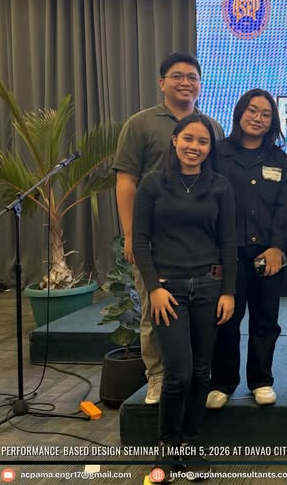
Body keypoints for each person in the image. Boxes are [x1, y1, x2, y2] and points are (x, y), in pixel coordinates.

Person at [114, 52, 224, 405]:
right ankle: (158, 377)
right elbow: (127, 181)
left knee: (197, 318)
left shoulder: (212, 126)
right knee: (153, 309)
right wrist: (130, 234)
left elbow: (217, 184)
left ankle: (193, 378)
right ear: (162, 82)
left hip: (197, 246)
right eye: (177, 76)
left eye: (192, 77)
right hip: (151, 242)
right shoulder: (141, 124)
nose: (185, 82)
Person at [132, 114, 236, 482]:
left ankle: (191, 443)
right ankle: (167, 446)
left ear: (210, 148)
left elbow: (227, 244)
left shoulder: (220, 186)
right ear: (175, 140)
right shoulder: (152, 184)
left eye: (203, 142)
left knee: (203, 370)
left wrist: (228, 292)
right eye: (188, 139)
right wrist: (154, 288)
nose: (195, 147)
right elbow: (140, 241)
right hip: (168, 290)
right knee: (179, 373)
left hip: (209, 288)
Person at [206, 89, 287, 409]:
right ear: (240, 113)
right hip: (226, 254)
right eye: (252, 111)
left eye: (265, 114)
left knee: (265, 320)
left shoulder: (279, 159)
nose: (258, 118)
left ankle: (261, 380)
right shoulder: (217, 154)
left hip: (266, 256)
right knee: (226, 320)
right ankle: (222, 383)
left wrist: (276, 248)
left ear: (273, 121)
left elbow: (286, 209)